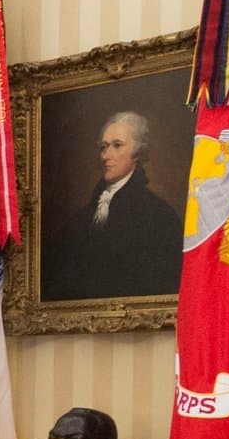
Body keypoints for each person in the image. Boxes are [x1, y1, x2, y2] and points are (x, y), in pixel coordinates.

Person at [40, 111, 183, 302]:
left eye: (117, 145)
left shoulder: (160, 217)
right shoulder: (81, 218)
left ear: (137, 153)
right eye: (104, 147)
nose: (106, 155)